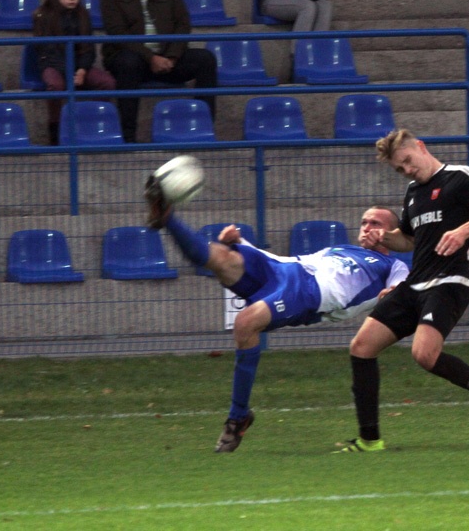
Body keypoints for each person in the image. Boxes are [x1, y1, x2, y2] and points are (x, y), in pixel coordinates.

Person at [142, 182, 409, 452]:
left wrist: (393, 293)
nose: (367, 227)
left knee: (245, 323)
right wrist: (244, 243)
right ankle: (168, 218)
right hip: (283, 271)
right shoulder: (341, 248)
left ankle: (238, 417)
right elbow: (297, 261)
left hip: (309, 294)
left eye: (375, 223)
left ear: (393, 233)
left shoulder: (393, 265)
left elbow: (403, 289)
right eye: (364, 222)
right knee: (219, 257)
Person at [336, 129, 469, 453]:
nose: (406, 170)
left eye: (407, 161)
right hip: (414, 285)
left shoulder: (459, 176)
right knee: (361, 346)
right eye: (399, 168)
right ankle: (370, 439)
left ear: (421, 146)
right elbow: (408, 240)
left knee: (423, 354)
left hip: (448, 282)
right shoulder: (412, 192)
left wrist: (463, 231)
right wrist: (384, 238)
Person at [100, 0, 217, 143]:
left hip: (167, 56)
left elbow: (182, 23)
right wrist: (150, 57)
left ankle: (203, 128)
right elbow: (118, 33)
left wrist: (171, 56)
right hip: (132, 57)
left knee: (206, 59)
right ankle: (128, 137)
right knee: (128, 63)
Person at [33, 0, 117, 145]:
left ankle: (94, 123)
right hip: (53, 65)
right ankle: (55, 130)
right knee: (56, 86)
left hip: (79, 67)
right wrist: (70, 71)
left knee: (107, 83)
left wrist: (82, 70)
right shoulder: (43, 16)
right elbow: (48, 51)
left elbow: (88, 49)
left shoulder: (83, 15)